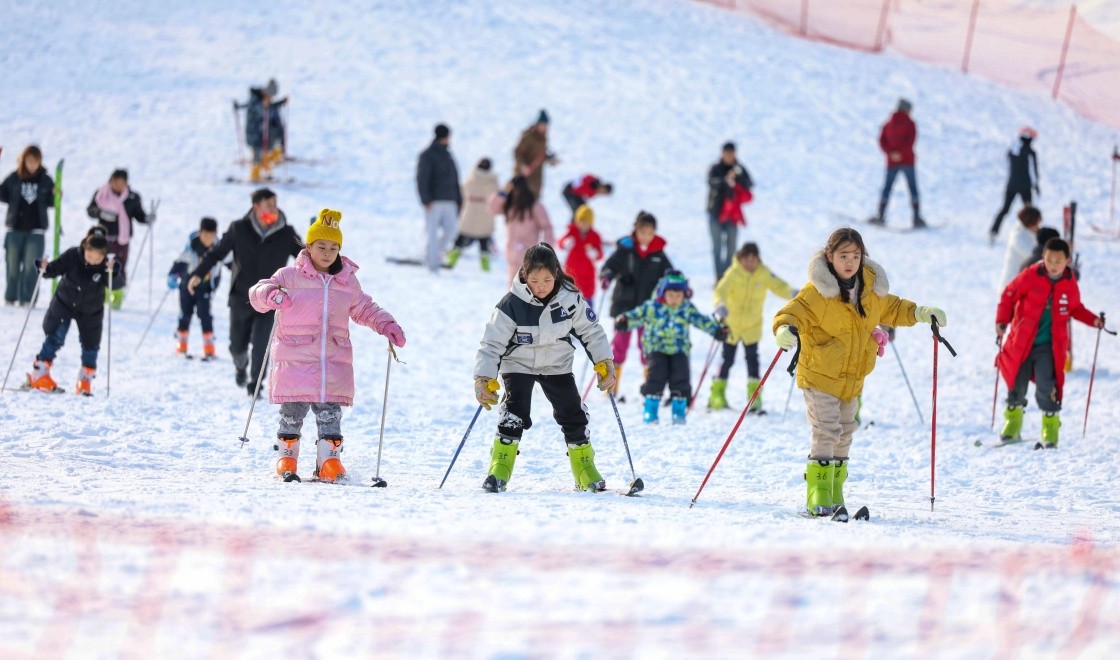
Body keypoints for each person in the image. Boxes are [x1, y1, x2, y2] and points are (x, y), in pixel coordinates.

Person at [773, 227, 945, 517]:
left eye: (855, 256)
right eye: (843, 256)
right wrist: (784, 329)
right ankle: (818, 493)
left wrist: (919, 312)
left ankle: (836, 492)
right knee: (826, 430)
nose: (850, 262)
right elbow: (793, 312)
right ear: (830, 257)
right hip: (819, 375)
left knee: (845, 432)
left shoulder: (870, 288)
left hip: (852, 377)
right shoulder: (817, 291)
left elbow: (893, 307)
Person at [249, 209, 406, 482]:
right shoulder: (289, 277)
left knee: (330, 413)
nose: (327, 252)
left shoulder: (346, 282)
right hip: (295, 358)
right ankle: (287, 457)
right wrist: (271, 295)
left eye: (334, 248)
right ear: (308, 247)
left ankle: (329, 461)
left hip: (332, 360)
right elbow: (258, 292)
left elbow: (364, 308)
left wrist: (386, 324)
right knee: (292, 412)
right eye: (321, 246)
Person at [473, 243, 615, 493]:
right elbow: (492, 342)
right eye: (535, 280)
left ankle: (583, 466)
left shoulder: (570, 299)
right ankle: (500, 465)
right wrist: (484, 377)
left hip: (556, 363)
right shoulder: (511, 304)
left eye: (547, 280)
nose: (541, 286)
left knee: (572, 411)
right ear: (525, 276)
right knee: (515, 410)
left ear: (557, 274)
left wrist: (604, 362)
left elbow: (591, 331)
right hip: (519, 363)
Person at [188, 188, 302, 396]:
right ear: (256, 207)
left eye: (275, 204)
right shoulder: (238, 229)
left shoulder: (287, 233)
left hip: (271, 299)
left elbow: (304, 260)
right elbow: (217, 253)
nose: (274, 209)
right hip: (241, 298)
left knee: (261, 346)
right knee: (237, 345)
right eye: (268, 205)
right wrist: (198, 273)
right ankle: (241, 366)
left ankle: (255, 384)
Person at [995, 237, 1101, 449]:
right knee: (1017, 382)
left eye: (1058, 261)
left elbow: (1076, 308)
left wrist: (1094, 320)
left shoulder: (1069, 283)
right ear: (1043, 257)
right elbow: (1008, 295)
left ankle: (1050, 430)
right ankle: (1012, 425)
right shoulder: (1031, 275)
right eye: (1049, 260)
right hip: (1022, 342)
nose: (1053, 265)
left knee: (1047, 385)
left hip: (1049, 347)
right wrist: (1001, 321)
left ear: (1067, 261)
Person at [616, 271, 726, 425]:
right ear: (663, 293)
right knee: (656, 377)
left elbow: (701, 320)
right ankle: (650, 410)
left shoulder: (686, 308)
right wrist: (624, 321)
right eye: (671, 295)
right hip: (656, 348)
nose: (674, 300)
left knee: (681, 378)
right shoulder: (653, 307)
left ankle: (679, 412)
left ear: (684, 295)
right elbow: (637, 316)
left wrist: (716, 330)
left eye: (678, 296)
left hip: (679, 349)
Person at [26, 227, 121, 396]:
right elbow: (54, 269)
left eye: (97, 258)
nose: (93, 261)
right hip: (65, 304)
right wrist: (44, 268)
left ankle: (85, 379)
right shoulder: (72, 255)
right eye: (90, 256)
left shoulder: (106, 265)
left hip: (91, 311)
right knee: (55, 337)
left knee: (91, 345)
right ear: (84, 248)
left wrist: (113, 272)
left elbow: (117, 284)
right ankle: (39, 373)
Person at [710, 242, 795, 413]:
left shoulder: (763, 273)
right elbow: (720, 291)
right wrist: (720, 305)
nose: (749, 263)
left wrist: (794, 294)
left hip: (752, 327)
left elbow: (779, 286)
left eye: (753, 260)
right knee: (727, 359)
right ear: (740, 259)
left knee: (753, 362)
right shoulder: (733, 273)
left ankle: (754, 397)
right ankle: (717, 394)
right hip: (732, 326)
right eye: (746, 260)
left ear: (758, 259)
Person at [600, 211, 673, 398]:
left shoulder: (658, 253)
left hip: (646, 310)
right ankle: (611, 385)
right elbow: (610, 265)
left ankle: (651, 384)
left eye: (650, 233)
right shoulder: (625, 249)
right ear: (636, 230)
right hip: (624, 306)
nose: (646, 237)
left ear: (654, 233)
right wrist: (607, 275)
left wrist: (677, 285)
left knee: (646, 345)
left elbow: (669, 275)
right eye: (643, 232)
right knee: (619, 346)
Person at [86, 169, 150, 309]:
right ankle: (100, 294)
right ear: (111, 181)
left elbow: (139, 214)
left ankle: (116, 296)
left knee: (119, 265)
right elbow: (90, 210)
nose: (119, 185)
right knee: (100, 264)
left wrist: (147, 219)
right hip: (103, 237)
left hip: (122, 238)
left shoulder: (132, 197)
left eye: (122, 183)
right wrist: (101, 213)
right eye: (116, 182)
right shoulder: (101, 194)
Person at [1, 145, 54, 306]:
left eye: (35, 161)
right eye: (29, 161)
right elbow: (2, 195)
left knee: (31, 266)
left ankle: (27, 299)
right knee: (13, 265)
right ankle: (11, 297)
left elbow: (51, 203)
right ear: (24, 161)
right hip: (15, 228)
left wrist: (56, 195)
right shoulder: (14, 178)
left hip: (36, 230)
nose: (32, 165)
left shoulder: (46, 180)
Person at [168, 217, 222, 358]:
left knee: (205, 316)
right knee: (185, 314)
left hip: (205, 288)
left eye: (211, 236)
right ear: (200, 232)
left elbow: (231, 263)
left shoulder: (219, 249)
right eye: (205, 235)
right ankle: (182, 344)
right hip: (186, 287)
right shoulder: (191, 247)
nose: (208, 239)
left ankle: (209, 347)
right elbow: (179, 263)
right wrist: (173, 275)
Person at [488, 175, 554, 285]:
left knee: (528, 291)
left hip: (529, 256)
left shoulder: (535, 207)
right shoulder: (510, 206)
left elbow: (547, 227)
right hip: (511, 254)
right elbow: (492, 208)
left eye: (516, 189)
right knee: (513, 290)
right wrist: (503, 192)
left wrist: (547, 250)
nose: (514, 193)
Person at [415, 123, 462, 273]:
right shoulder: (427, 154)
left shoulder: (448, 155)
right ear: (445, 136)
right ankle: (432, 266)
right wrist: (425, 199)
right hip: (434, 201)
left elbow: (455, 178)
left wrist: (459, 200)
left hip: (450, 200)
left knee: (452, 231)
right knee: (432, 234)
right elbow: (422, 178)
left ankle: (432, 255)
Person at [871, 98, 924, 228]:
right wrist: (901, 154)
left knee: (887, 188)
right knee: (912, 188)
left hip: (891, 162)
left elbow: (881, 140)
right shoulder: (911, 124)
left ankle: (881, 216)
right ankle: (916, 218)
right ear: (907, 110)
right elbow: (910, 142)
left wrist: (891, 153)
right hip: (907, 161)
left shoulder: (888, 123)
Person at [706, 142, 753, 279]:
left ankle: (727, 275)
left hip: (732, 215)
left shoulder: (740, 168)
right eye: (726, 153)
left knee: (731, 247)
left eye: (731, 153)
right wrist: (725, 181)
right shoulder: (715, 168)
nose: (729, 156)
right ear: (722, 153)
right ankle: (719, 276)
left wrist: (737, 179)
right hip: (715, 213)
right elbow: (710, 182)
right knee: (717, 246)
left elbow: (749, 184)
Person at [446, 157, 499, 271]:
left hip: (470, 211)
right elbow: (496, 197)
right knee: (484, 241)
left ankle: (450, 261)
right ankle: (485, 268)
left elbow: (463, 192)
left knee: (460, 239)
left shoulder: (471, 179)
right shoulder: (492, 182)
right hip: (485, 212)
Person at [990, 127, 1040, 243]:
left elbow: (1006, 165)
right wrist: (1036, 184)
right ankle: (1034, 235)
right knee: (1030, 212)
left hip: (1011, 184)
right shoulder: (1031, 152)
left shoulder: (1012, 150)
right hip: (1025, 186)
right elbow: (1033, 170)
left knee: (1005, 209)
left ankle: (993, 231)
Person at [557, 204, 604, 308]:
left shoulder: (595, 236)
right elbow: (560, 243)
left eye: (585, 222)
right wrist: (565, 243)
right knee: (568, 296)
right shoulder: (572, 232)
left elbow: (600, 254)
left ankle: (588, 320)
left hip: (588, 274)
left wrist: (594, 253)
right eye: (580, 222)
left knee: (587, 300)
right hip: (571, 272)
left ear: (590, 223)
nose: (582, 225)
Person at [244, 78, 286, 182]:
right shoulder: (255, 101)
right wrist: (265, 106)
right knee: (257, 151)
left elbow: (270, 108)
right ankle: (255, 174)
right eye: (271, 96)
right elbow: (263, 111)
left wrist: (280, 103)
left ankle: (267, 162)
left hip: (262, 131)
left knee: (271, 141)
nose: (271, 98)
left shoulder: (264, 100)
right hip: (254, 132)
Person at [513, 109, 558, 198]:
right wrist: (522, 166)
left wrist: (550, 159)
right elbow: (517, 152)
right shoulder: (528, 136)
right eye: (543, 125)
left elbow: (540, 155)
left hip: (536, 177)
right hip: (524, 176)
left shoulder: (543, 138)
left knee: (534, 204)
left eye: (546, 125)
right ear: (538, 124)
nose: (545, 128)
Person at [997, 207, 1042, 291]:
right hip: (1012, 287)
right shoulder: (1018, 236)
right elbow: (1033, 256)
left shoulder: (1029, 233)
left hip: (1021, 285)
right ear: (1030, 223)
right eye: (1037, 223)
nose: (1038, 227)